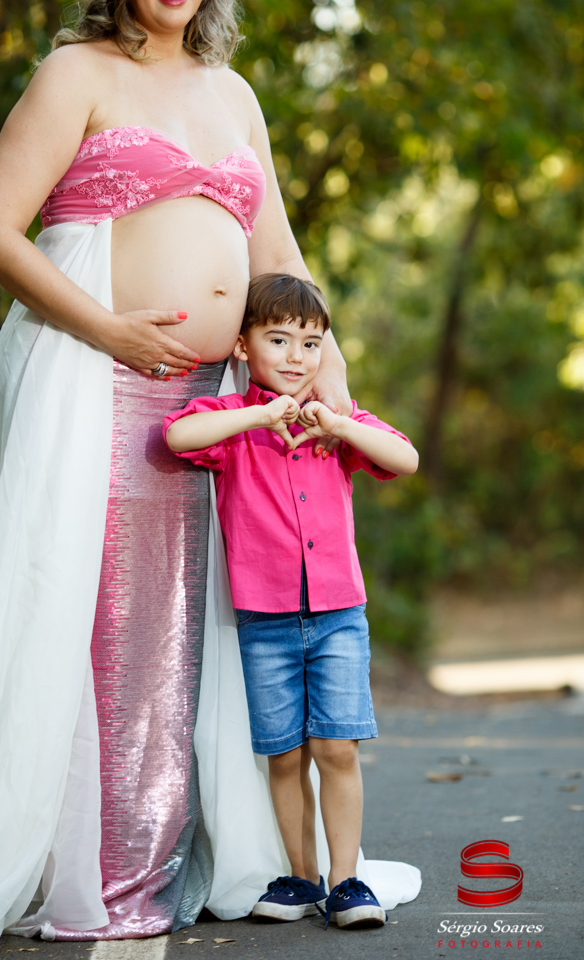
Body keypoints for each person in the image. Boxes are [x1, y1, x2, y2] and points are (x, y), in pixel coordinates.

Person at [0, 0, 419, 958]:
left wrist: (324, 377)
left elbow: (278, 255)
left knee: (204, 633)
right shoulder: (75, 74)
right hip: (95, 383)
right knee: (104, 627)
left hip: (223, 408)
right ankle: (97, 874)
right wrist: (107, 330)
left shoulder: (233, 94)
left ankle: (198, 853)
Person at [165, 273, 419, 930]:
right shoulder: (234, 424)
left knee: (337, 749)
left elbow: (406, 458)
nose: (296, 356)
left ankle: (346, 881)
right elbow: (177, 438)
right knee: (284, 755)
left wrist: (340, 423)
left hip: (338, 618)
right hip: (266, 620)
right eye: (277, 339)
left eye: (311, 343)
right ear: (243, 345)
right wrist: (260, 415)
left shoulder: (335, 422)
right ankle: (301, 877)